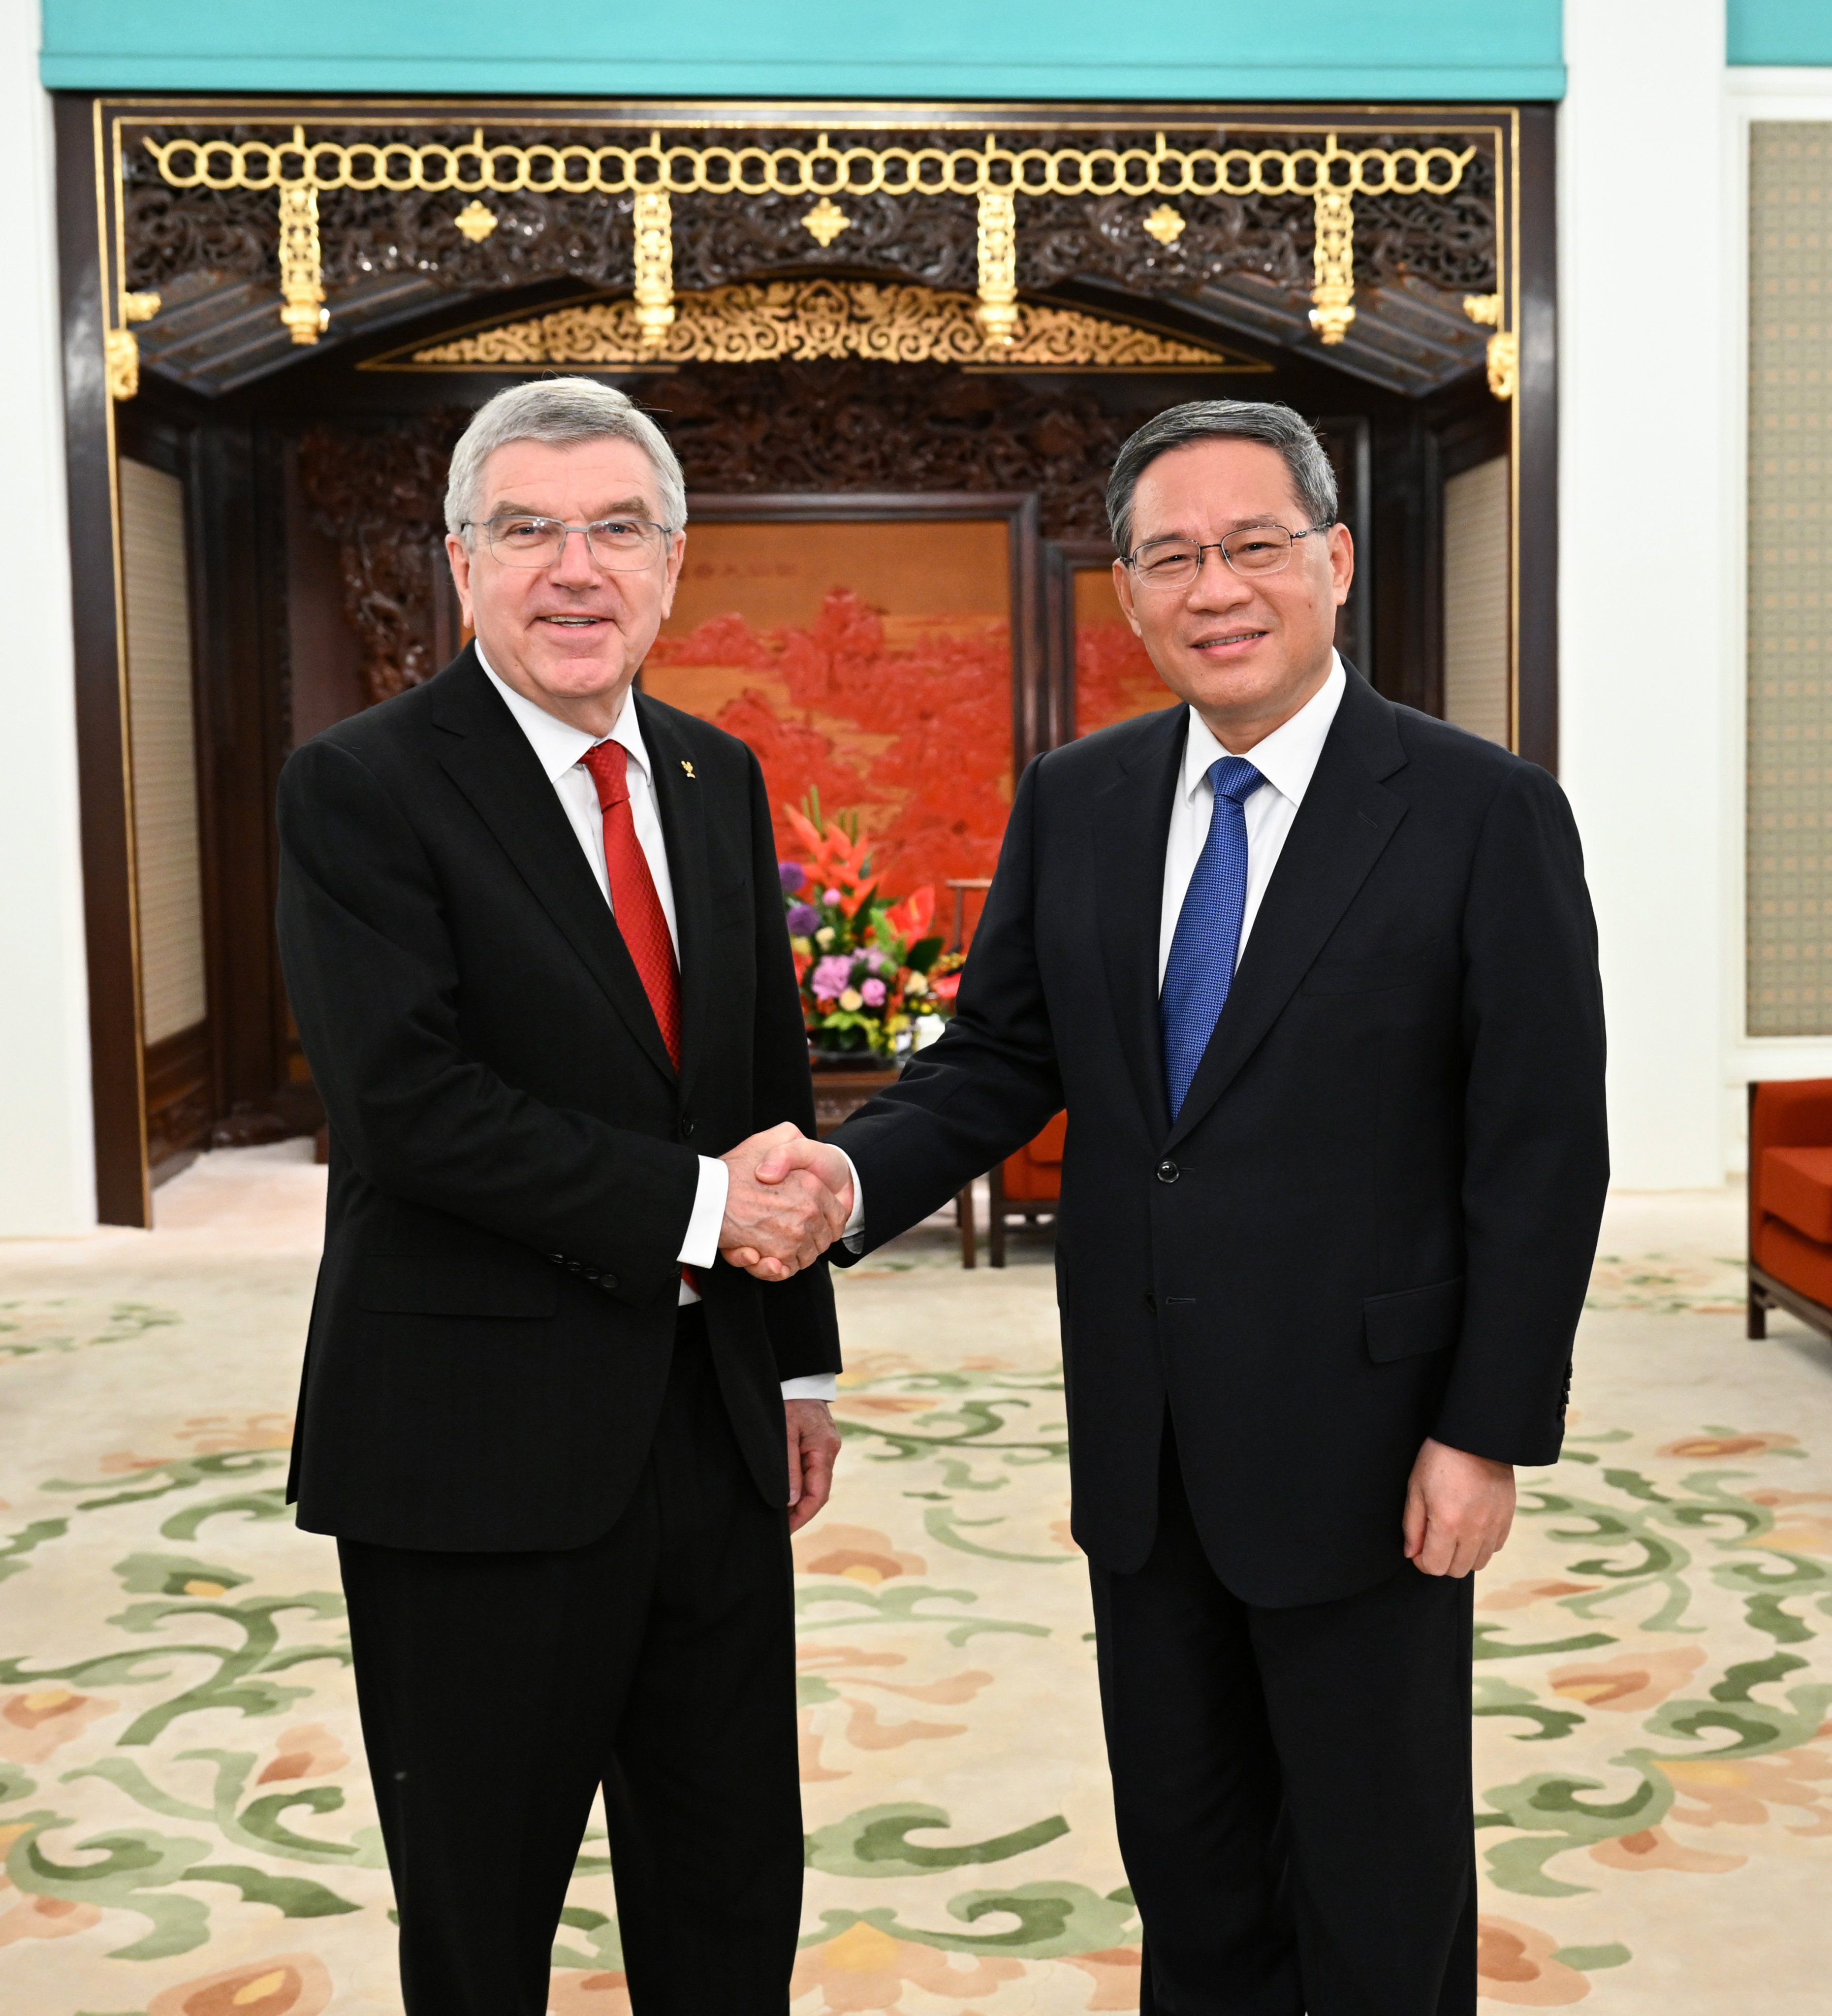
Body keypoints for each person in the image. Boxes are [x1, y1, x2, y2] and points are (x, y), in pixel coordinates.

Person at [749, 401, 1609, 2015]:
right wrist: (852, 1175)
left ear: (1333, 562)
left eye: (1253, 547)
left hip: (1374, 1446)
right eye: (1172, 558)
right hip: (1144, 1447)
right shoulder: (1081, 796)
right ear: (1129, 595)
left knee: (1377, 1877)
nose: (1216, 588)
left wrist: (1486, 1427)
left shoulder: (1479, 812)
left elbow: (1540, 1151)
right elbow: (1004, 1055)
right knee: (1193, 1871)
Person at [276, 377, 854, 2016]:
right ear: (459, 564)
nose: (573, 567)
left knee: (731, 1878)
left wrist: (795, 1359)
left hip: (714, 1427)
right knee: (483, 1909)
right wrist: (697, 1214)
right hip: (472, 1438)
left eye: (616, 529)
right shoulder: (364, 787)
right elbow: (408, 1109)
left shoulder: (711, 774)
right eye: (526, 529)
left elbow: (762, 1091)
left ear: (675, 565)